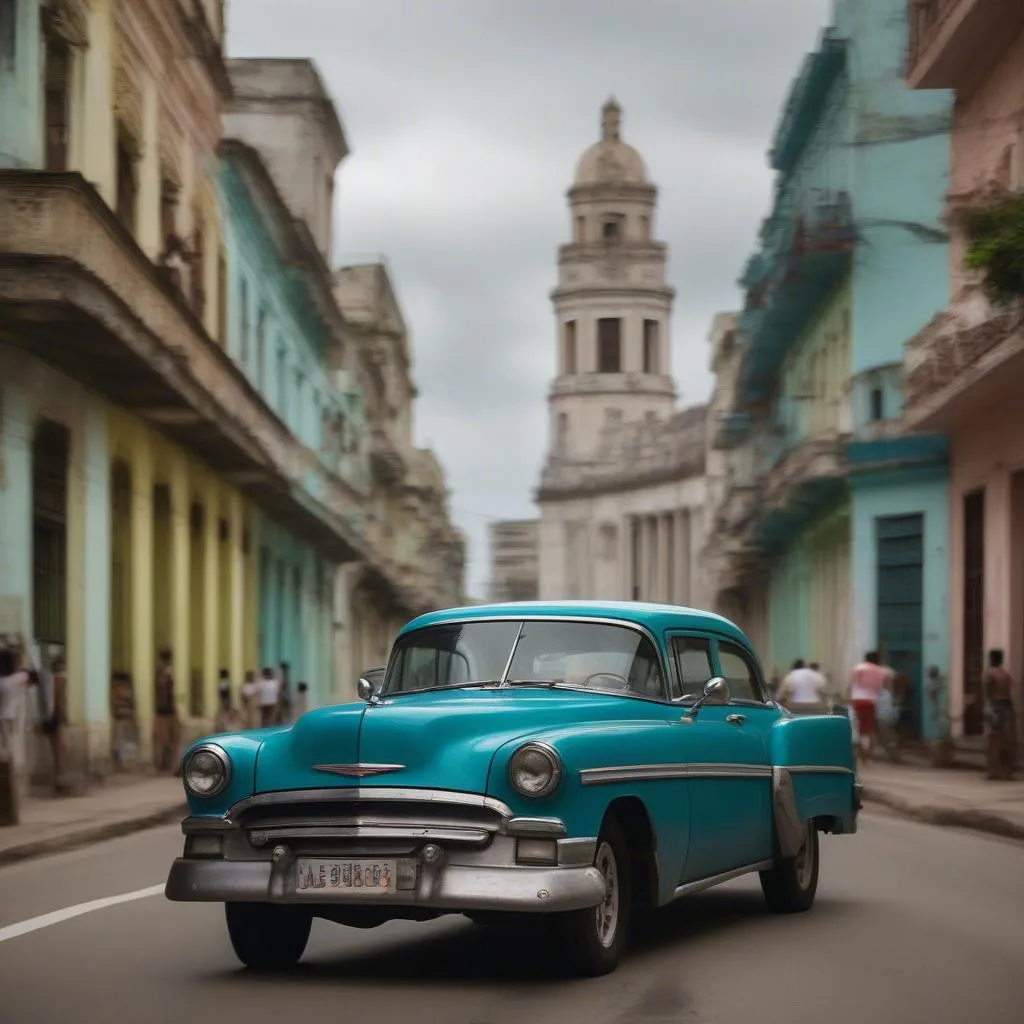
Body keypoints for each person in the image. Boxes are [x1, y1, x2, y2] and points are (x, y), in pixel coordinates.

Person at [849, 650, 892, 764]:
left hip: (857, 700)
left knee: (857, 726)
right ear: (877, 659)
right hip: (870, 701)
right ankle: (867, 754)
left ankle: (860, 752)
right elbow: (878, 687)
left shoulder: (858, 668)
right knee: (869, 729)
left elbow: (852, 684)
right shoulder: (880, 671)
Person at [982, 649, 1017, 780]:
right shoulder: (1005, 674)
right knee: (1006, 740)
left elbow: (986, 693)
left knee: (992, 741)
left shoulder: (989, 673)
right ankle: (1005, 770)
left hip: (996, 707)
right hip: (1006, 707)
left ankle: (994, 770)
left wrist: (988, 709)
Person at [153, 648, 180, 774]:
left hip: (162, 709)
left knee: (164, 739)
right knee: (170, 738)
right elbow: (165, 690)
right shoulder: (166, 670)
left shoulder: (158, 670)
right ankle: (167, 764)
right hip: (166, 710)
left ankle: (164, 764)